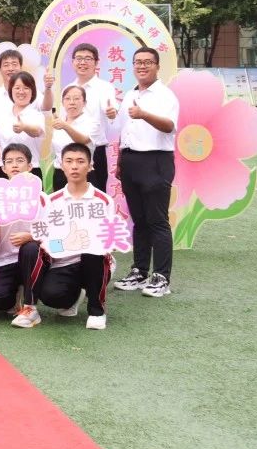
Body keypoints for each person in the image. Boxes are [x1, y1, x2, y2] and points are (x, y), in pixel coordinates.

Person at [106, 47, 179, 298]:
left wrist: (144, 114)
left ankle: (161, 277)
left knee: (157, 221)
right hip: (131, 161)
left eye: (148, 62)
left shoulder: (165, 95)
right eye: (138, 62)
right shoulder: (130, 94)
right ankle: (139, 271)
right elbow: (125, 131)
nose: (142, 66)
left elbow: (169, 126)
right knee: (139, 220)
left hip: (156, 160)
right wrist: (121, 162)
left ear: (157, 66)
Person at [35, 143, 116, 329]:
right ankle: (74, 297)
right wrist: (65, 244)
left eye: (80, 161)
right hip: (64, 262)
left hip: (95, 261)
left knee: (92, 252)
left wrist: (92, 242)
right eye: (69, 161)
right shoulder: (52, 202)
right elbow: (46, 243)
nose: (74, 166)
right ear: (61, 165)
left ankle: (96, 310)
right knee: (50, 296)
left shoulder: (103, 200)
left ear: (90, 165)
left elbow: (109, 239)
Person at [0, 143, 46, 327]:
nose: (14, 165)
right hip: (5, 260)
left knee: (30, 248)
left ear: (30, 166)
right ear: (3, 168)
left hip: (35, 258)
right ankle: (14, 297)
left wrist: (31, 236)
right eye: (9, 161)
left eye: (20, 161)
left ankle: (30, 308)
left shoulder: (41, 198)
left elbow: (55, 231)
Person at [64, 43, 118, 191]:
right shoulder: (68, 88)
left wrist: (111, 112)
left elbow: (112, 110)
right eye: (79, 58)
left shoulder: (104, 88)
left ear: (96, 62)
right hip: (70, 150)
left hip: (94, 151)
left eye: (88, 59)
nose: (83, 62)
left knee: (95, 196)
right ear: (73, 62)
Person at [0, 72, 46, 172]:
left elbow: (37, 131)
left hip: (30, 170)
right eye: (17, 88)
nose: (21, 92)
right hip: (5, 171)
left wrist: (24, 127)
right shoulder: (0, 115)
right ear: (11, 90)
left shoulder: (37, 115)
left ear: (33, 92)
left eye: (26, 88)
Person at [50, 85, 96, 170]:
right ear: (62, 102)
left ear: (84, 103)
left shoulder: (92, 122)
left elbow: (83, 141)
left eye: (76, 99)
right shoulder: (58, 122)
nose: (72, 102)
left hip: (82, 172)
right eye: (67, 99)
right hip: (59, 171)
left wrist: (65, 126)